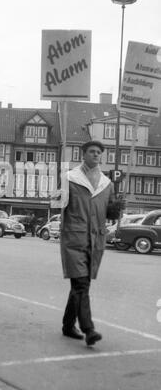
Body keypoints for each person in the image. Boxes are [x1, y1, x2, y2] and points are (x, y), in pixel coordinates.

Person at [60, 141, 124, 346]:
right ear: (83, 154)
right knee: (81, 284)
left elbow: (110, 215)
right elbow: (55, 205)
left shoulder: (107, 184)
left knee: (80, 285)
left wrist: (118, 207)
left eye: (99, 152)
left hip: (96, 241)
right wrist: (59, 195)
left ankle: (68, 325)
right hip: (74, 239)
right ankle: (89, 329)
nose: (96, 155)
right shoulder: (69, 178)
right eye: (92, 152)